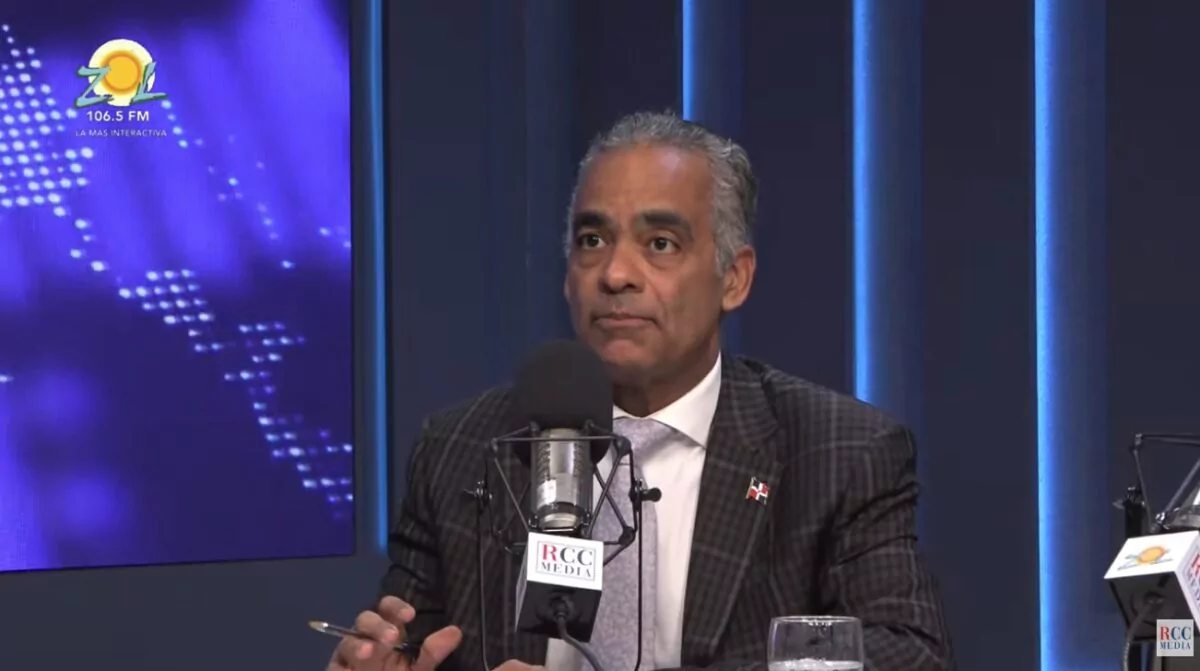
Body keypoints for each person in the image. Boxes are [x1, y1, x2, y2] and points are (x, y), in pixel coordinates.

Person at [327, 111, 954, 671]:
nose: (616, 274)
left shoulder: (837, 452)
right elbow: (414, 644)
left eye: (660, 244)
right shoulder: (460, 449)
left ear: (733, 279)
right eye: (592, 241)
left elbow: (908, 655)